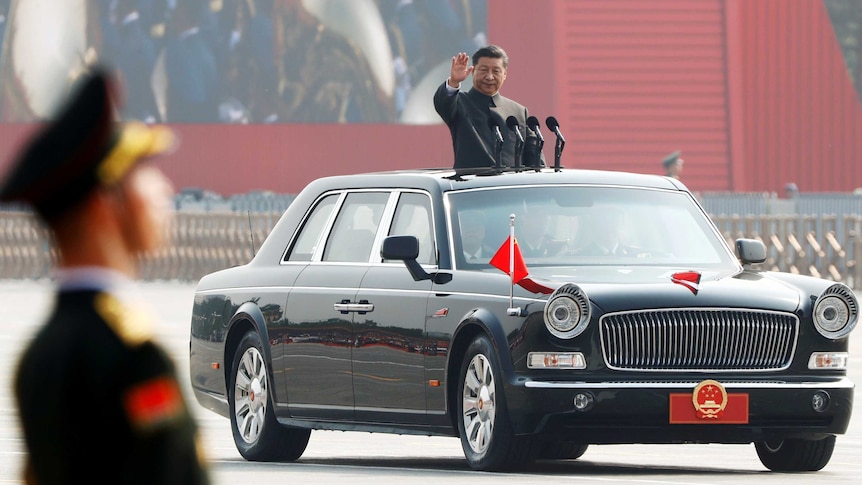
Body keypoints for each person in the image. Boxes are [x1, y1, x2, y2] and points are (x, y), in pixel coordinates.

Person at [0, 69, 209, 483]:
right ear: (103, 205)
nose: (164, 189)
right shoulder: (131, 357)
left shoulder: (40, 355)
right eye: (143, 174)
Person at [434, 45, 544, 169]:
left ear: (505, 74)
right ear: (473, 71)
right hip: (471, 185)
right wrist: (453, 82)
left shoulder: (518, 111)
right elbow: (442, 103)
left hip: (511, 185)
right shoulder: (460, 102)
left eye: (496, 71)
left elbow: (534, 159)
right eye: (484, 70)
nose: (489, 77)